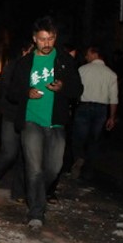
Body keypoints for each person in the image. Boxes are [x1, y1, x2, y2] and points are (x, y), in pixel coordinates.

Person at [6, 16, 83, 231]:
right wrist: (26, 92)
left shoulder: (65, 60)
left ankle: (36, 194)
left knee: (54, 167)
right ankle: (36, 213)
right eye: (42, 39)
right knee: (34, 168)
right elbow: (11, 93)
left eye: (50, 39)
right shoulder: (24, 63)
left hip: (56, 122)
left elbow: (78, 90)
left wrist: (63, 88)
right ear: (34, 39)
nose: (46, 44)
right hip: (31, 120)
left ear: (55, 38)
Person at [0, 42, 32, 200]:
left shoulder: (39, 69)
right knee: (9, 152)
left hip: (30, 117)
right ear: (24, 51)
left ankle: (18, 193)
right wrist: (1, 109)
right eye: (31, 51)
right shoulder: (13, 67)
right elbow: (4, 90)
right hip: (11, 115)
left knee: (25, 156)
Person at [70, 46, 119, 180]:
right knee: (94, 140)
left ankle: (79, 158)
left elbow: (75, 90)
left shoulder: (82, 70)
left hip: (84, 106)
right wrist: (112, 117)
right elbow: (114, 98)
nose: (86, 57)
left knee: (78, 138)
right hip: (101, 110)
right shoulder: (111, 74)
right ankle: (88, 171)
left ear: (94, 54)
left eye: (87, 54)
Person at [46, 43, 80, 202]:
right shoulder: (41, 60)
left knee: (55, 162)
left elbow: (77, 90)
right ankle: (35, 194)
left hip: (59, 120)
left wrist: (62, 87)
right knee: (35, 158)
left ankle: (49, 190)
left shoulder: (69, 67)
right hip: (37, 119)